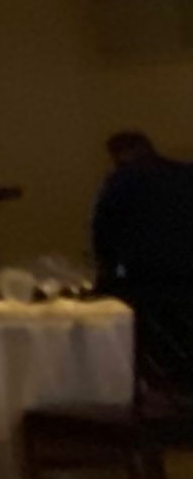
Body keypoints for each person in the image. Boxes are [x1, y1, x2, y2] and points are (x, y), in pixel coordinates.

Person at [91, 132, 193, 373]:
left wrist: (109, 275)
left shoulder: (121, 182)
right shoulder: (186, 175)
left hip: (146, 280)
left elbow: (103, 235)